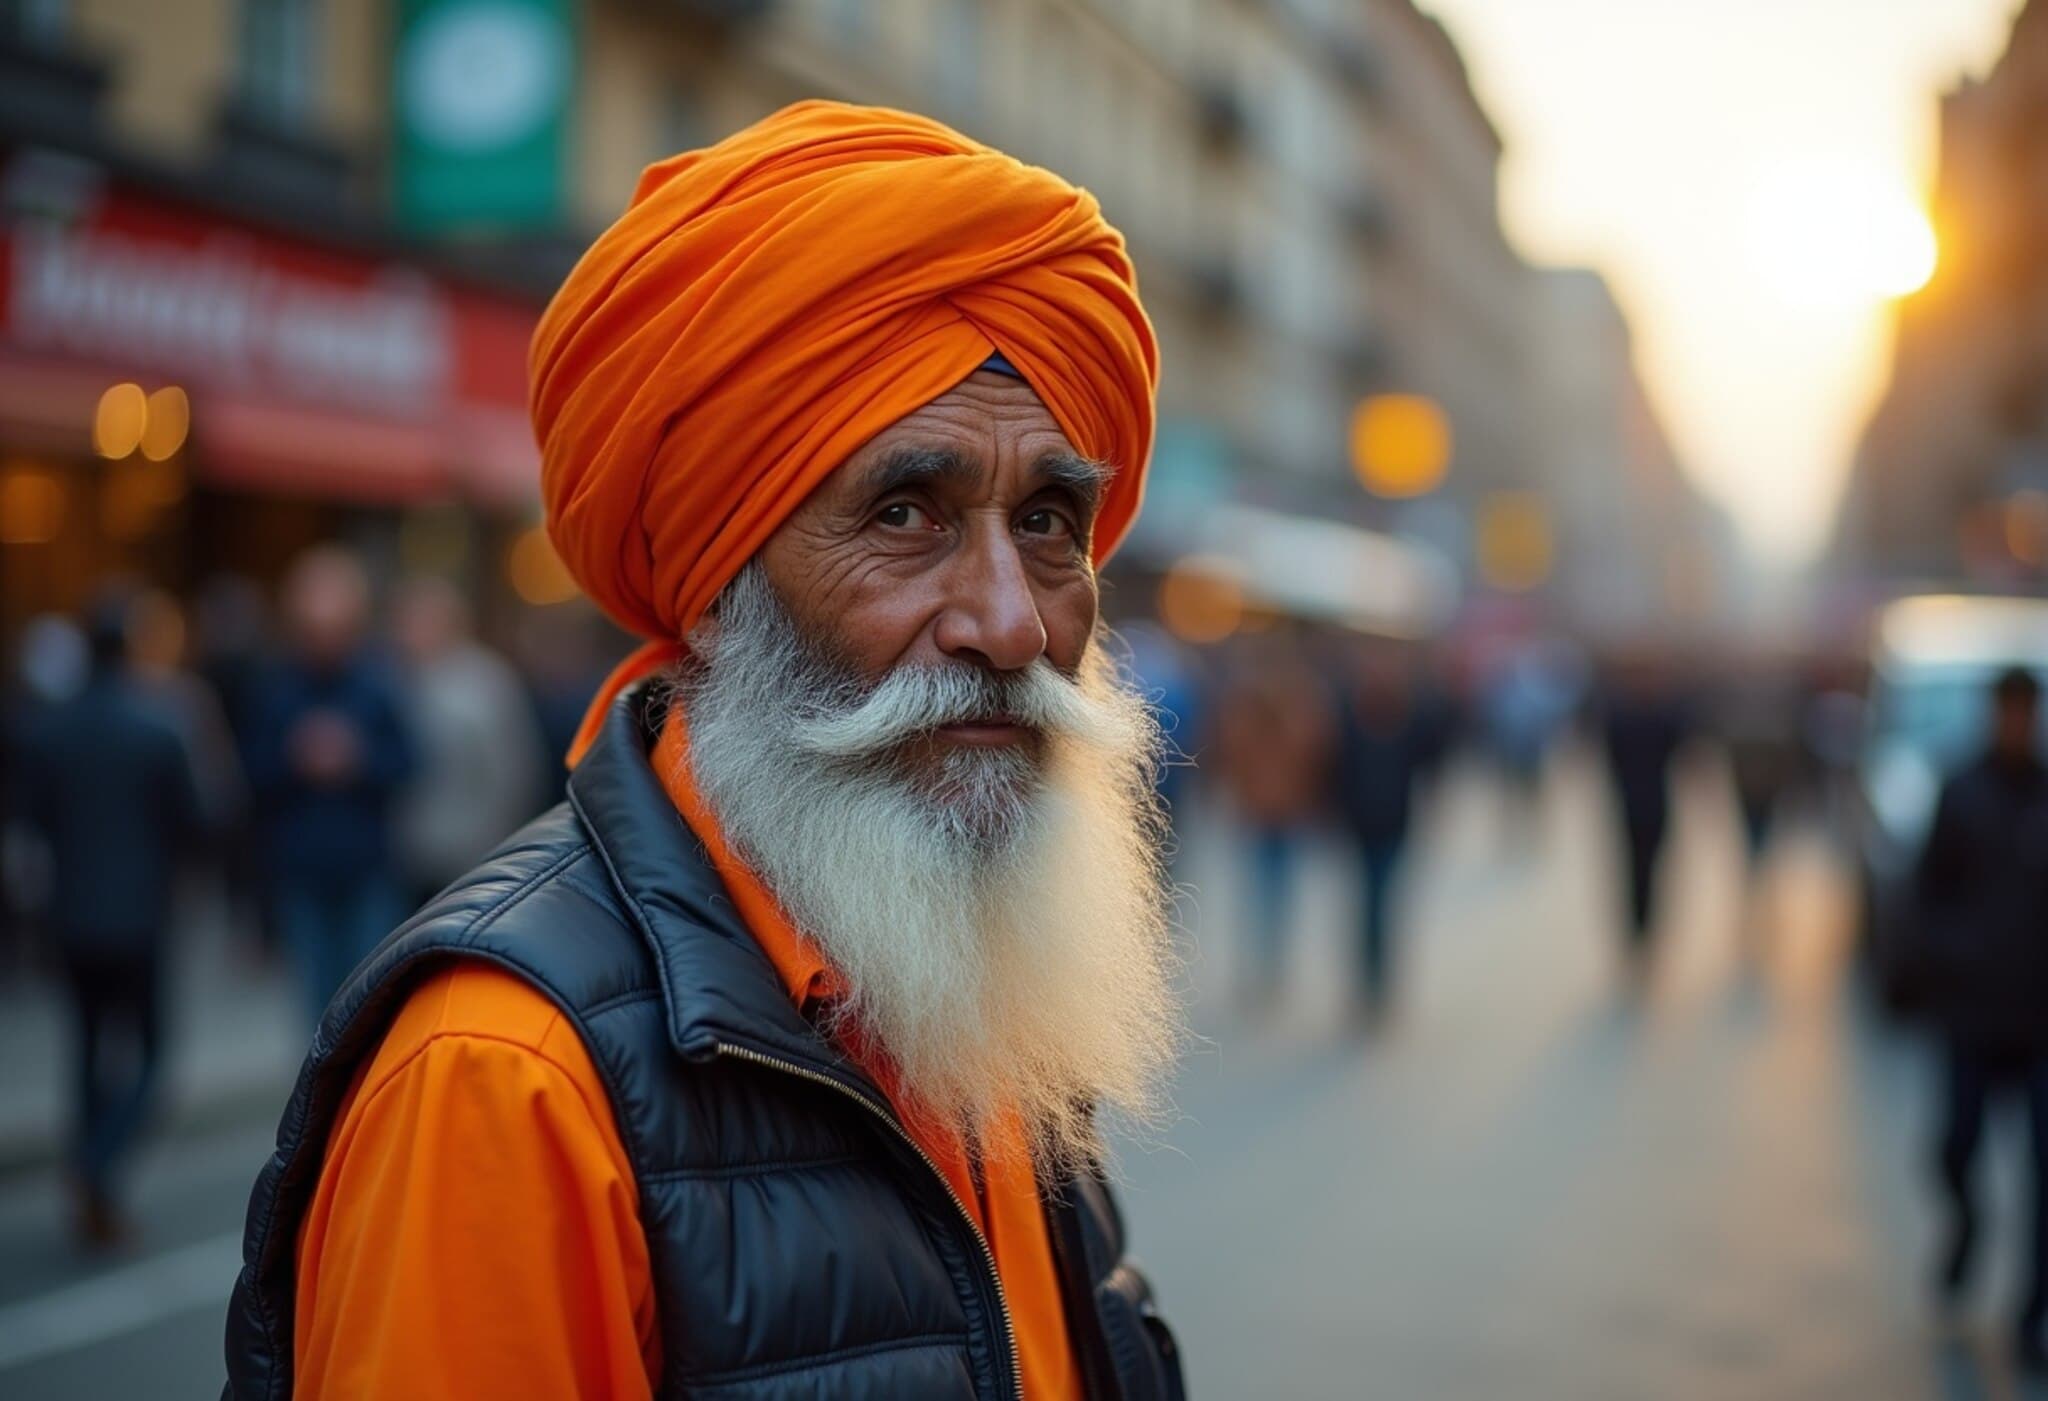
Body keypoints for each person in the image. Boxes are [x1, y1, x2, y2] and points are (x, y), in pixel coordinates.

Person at [226, 102, 1187, 1401]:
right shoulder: (504, 1080)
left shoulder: (975, 988)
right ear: (713, 588)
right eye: (905, 512)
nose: (1012, 622)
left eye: (1052, 520)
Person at [19, 591, 205, 1246]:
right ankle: (96, 1166)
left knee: (86, 1051)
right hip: (140, 916)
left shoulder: (46, 728)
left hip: (70, 916)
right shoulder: (158, 727)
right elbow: (194, 819)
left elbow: (30, 816)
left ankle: (92, 1181)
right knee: (151, 1056)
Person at [1914, 667, 2048, 1367]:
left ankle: (2032, 1318)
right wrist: (1955, 955)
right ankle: (1966, 1228)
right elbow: (1924, 897)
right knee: (1957, 1147)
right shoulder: (1960, 790)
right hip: (1972, 1014)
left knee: (2044, 1175)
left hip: (2039, 1021)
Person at [245, 548, 414, 1021]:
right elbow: (251, 776)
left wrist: (356, 759)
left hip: (367, 865)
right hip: (300, 867)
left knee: (367, 995)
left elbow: (408, 764)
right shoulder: (275, 687)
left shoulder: (379, 683)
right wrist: (294, 758)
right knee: (315, 1004)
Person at [391, 576, 545, 907]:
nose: (412, 631)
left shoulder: (486, 683)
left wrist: (498, 840)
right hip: (406, 852)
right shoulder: (394, 679)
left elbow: (512, 769)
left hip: (471, 849)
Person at [1212, 635, 1335, 1015]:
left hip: (1276, 810)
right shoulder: (1258, 707)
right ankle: (1266, 969)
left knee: (1269, 894)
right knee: (1267, 894)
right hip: (1267, 811)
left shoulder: (1285, 705)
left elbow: (1314, 751)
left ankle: (1268, 969)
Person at [1332, 644, 1430, 1023]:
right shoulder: (1349, 718)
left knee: (1380, 904)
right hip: (1359, 826)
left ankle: (1379, 983)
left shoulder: (1411, 719)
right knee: (1367, 905)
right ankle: (1368, 984)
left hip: (1394, 824)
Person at [1599, 653, 1690, 960]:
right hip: (1644, 804)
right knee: (1642, 872)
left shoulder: (1622, 714)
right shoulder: (1657, 714)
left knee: (1639, 871)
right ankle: (1642, 930)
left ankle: (1642, 930)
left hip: (1638, 803)